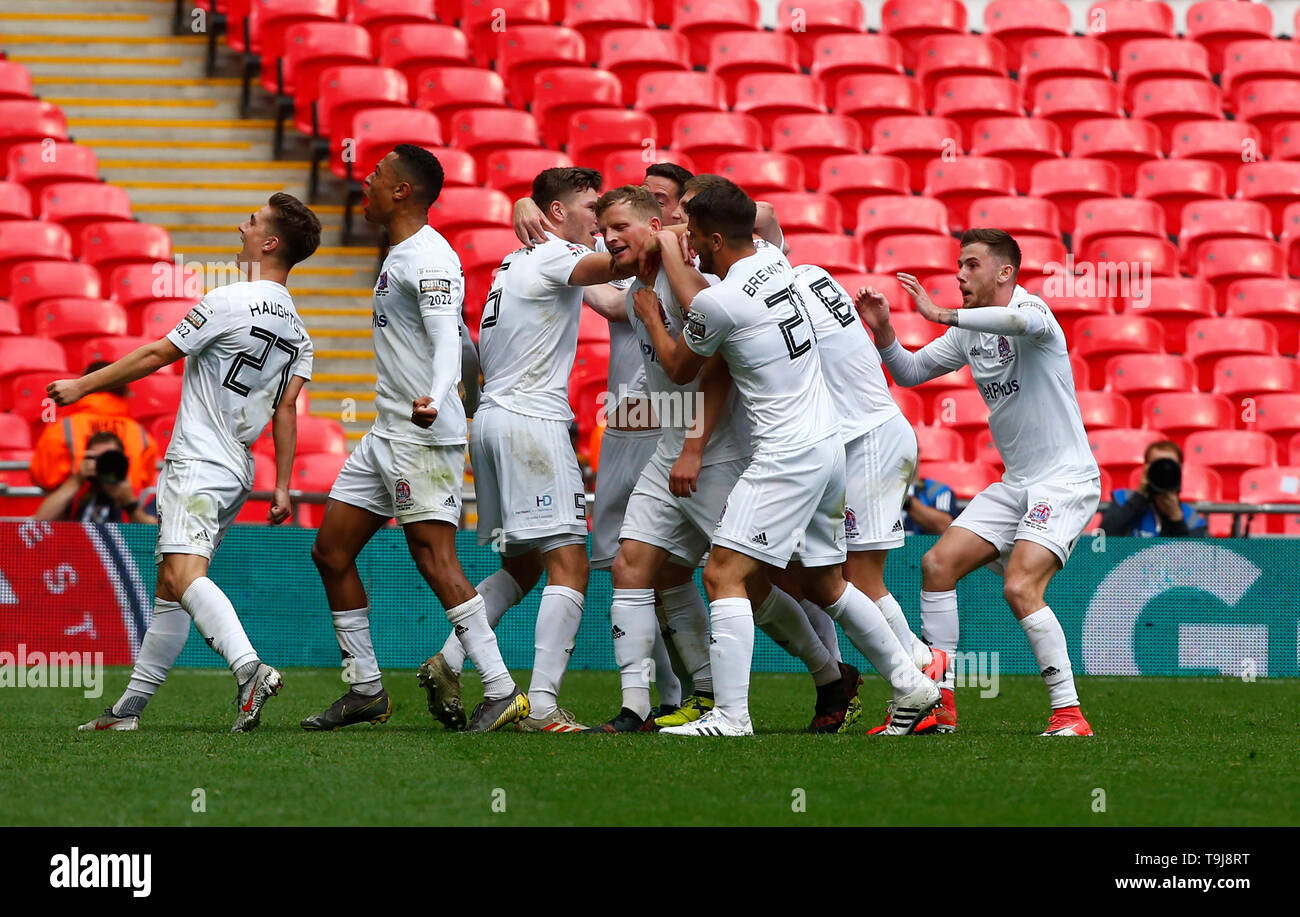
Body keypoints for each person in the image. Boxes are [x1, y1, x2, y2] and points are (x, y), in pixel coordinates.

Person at [635, 180, 939, 737]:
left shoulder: (722, 302)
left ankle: (731, 716)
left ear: (718, 238)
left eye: (699, 237)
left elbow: (681, 366)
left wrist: (653, 313)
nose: (693, 247)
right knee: (827, 582)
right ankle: (911, 681)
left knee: (724, 573)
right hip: (827, 445)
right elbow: (738, 234)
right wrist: (680, 233)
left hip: (786, 453)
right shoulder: (775, 260)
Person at [59, 191, 321, 733]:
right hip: (238, 468)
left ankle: (249, 670)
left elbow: (158, 354)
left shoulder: (228, 300)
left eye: (252, 222)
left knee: (183, 574)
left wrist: (84, 385)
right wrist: (283, 487)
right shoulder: (299, 330)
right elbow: (287, 409)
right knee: (169, 586)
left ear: (271, 242)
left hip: (198, 460)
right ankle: (128, 711)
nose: (240, 227)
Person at [303, 145, 526, 734]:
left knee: (434, 558)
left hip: (421, 433)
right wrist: (464, 397)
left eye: (376, 176)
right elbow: (460, 336)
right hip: (388, 433)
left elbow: (445, 340)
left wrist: (439, 395)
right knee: (330, 551)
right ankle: (365, 689)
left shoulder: (428, 258)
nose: (366, 182)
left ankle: (501, 689)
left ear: (402, 191)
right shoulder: (406, 254)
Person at [416, 166, 637, 734]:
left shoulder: (517, 262)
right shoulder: (553, 255)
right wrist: (651, 231)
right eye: (592, 208)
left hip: (490, 420)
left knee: (522, 565)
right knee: (571, 563)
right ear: (557, 213)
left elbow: (613, 305)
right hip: (531, 424)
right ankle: (540, 705)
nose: (601, 221)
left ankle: (452, 658)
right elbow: (620, 264)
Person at [855, 228, 1100, 737]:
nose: (959, 274)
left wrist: (939, 313)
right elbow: (910, 371)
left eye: (971, 265)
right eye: (958, 265)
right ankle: (937, 706)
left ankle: (1069, 713)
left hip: (1064, 480)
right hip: (1018, 483)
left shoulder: (1036, 315)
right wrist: (884, 334)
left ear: (1004, 272)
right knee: (938, 565)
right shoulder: (971, 332)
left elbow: (1013, 320)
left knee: (1019, 585)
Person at [30, 361, 159, 498]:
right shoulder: (141, 435)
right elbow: (144, 486)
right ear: (124, 389)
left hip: (73, 515)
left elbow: (43, 478)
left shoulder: (62, 428)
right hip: (125, 515)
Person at [33, 430, 158, 524]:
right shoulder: (76, 494)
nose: (104, 463)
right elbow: (41, 520)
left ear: (124, 461)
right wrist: (76, 481)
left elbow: (152, 537)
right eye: (97, 458)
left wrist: (130, 504)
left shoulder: (144, 497)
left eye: (110, 458)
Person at [1100, 440, 1207, 537]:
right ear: (1146, 468)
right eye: (1157, 466)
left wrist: (1176, 518)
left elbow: (1193, 555)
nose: (1163, 473)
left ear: (1180, 470)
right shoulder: (1123, 500)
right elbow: (1103, 538)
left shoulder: (1191, 518)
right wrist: (1139, 496)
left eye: (1170, 467)